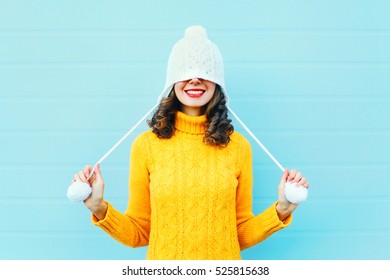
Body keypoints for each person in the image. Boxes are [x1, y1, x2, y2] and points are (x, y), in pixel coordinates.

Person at [72, 26, 309, 260]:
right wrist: (98, 207)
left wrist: (282, 210)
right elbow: (140, 233)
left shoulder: (238, 147)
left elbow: (238, 235)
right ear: (172, 81)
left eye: (205, 72)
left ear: (217, 82)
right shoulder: (146, 146)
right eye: (185, 71)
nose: (195, 79)